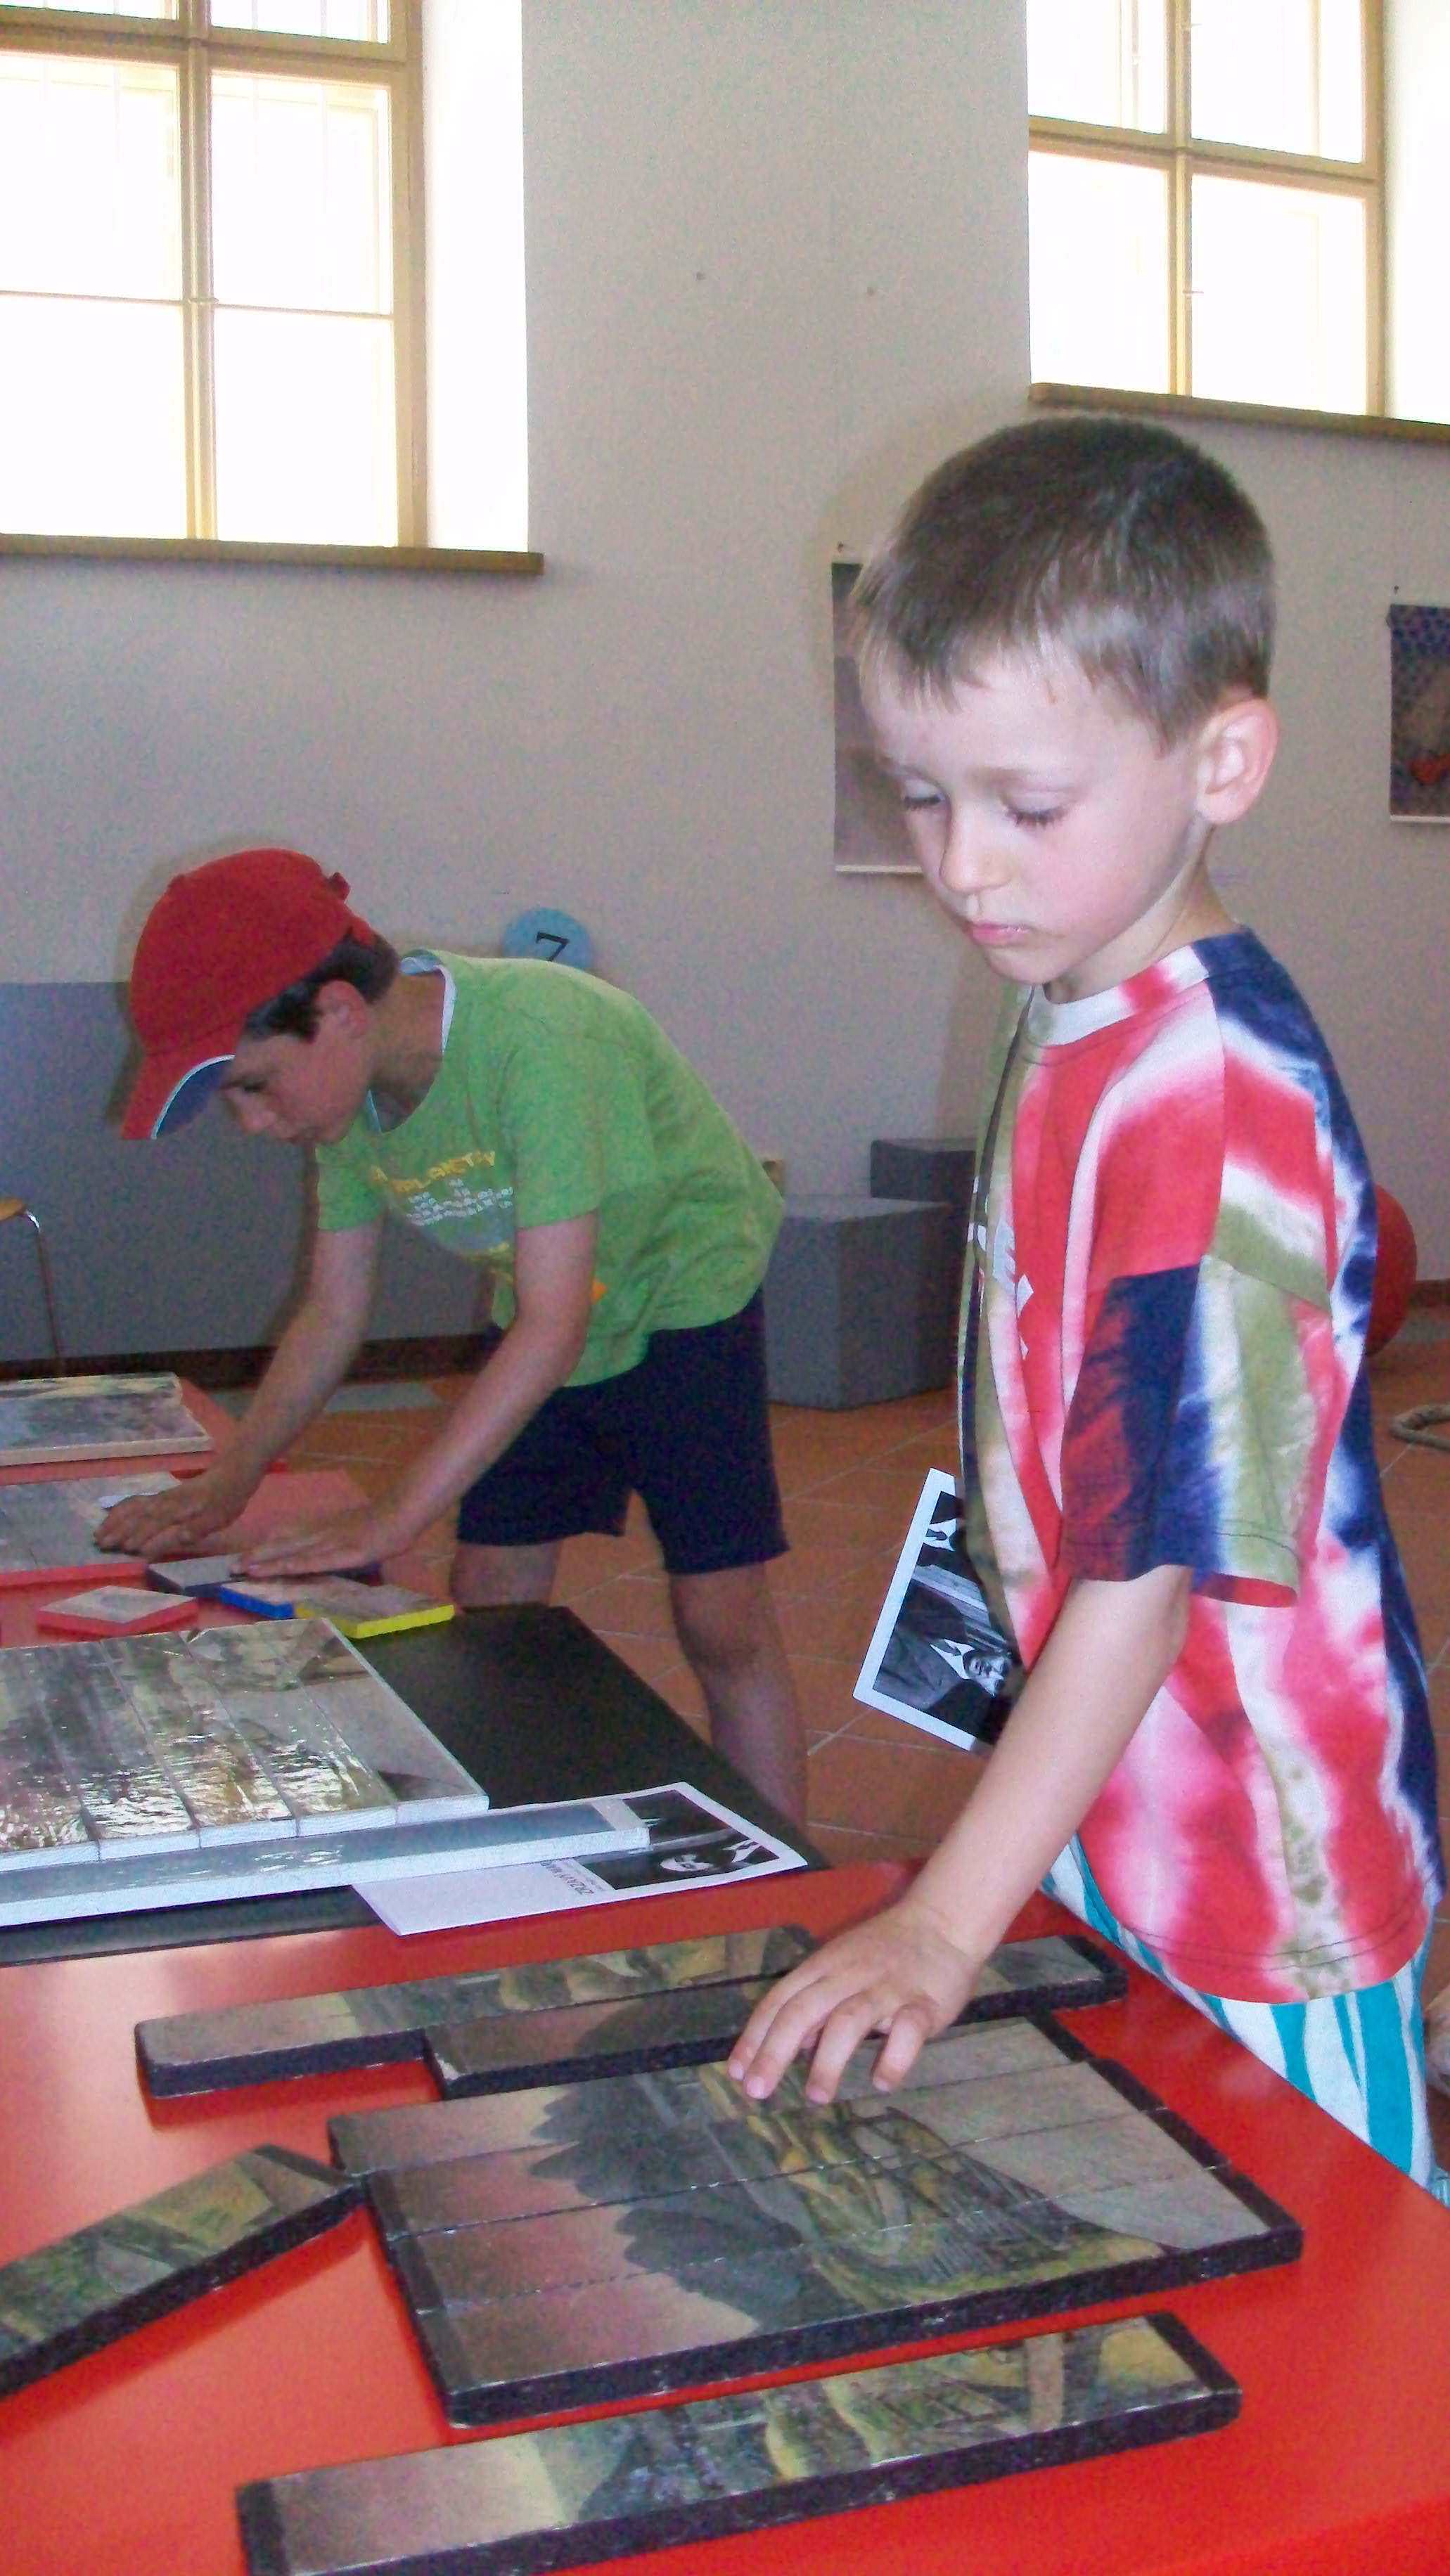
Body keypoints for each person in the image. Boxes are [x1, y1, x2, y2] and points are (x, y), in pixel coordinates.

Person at [731, 415, 1448, 2192]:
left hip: (1256, 1856)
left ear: (1222, 758)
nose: (961, 863)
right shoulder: (1070, 996)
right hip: (1110, 1781)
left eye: (1024, 806)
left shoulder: (1215, 1108)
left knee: (1342, 2268)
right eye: (919, 793)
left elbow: (1151, 1574)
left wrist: (939, 1920)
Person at [99, 848, 806, 1824]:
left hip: (684, 1301)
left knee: (719, 1621)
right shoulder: (347, 1106)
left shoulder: (541, 1038)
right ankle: (521, 1833)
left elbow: (555, 1322)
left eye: (254, 1086)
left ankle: (786, 1873)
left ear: (338, 1012)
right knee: (490, 1605)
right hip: (549, 1314)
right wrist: (234, 1477)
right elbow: (332, 1312)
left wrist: (391, 1518)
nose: (252, 1123)